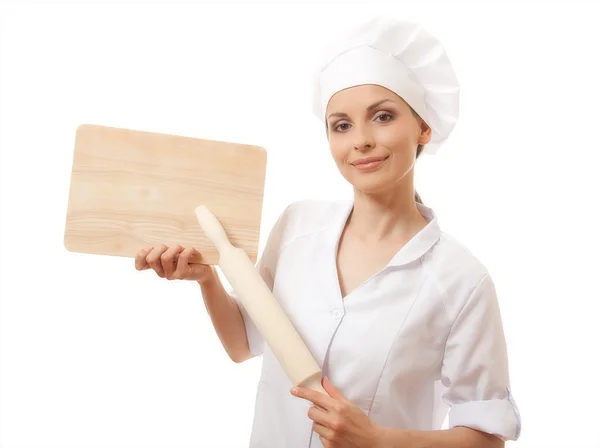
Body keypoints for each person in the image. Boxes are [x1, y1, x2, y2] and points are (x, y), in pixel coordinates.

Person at [135, 16, 521, 448]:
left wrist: (377, 439)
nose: (361, 140)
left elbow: (487, 438)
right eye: (341, 125)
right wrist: (206, 278)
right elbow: (244, 343)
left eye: (382, 116)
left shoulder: (461, 281)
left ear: (424, 127)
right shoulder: (297, 227)